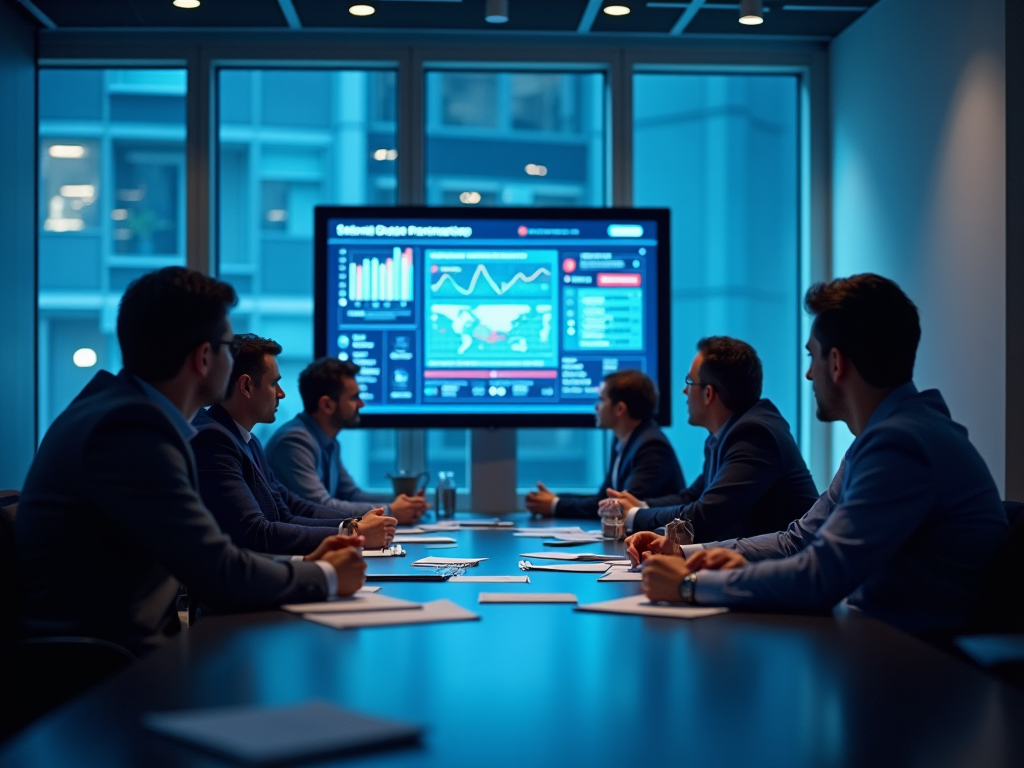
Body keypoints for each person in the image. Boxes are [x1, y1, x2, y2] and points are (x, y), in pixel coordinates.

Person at [629, 274, 1008, 635]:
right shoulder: (885, 436)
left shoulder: (902, 444)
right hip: (879, 647)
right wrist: (690, 552)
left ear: (837, 364)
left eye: (812, 357)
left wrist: (691, 585)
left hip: (921, 670)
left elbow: (819, 577)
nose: (809, 375)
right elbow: (799, 540)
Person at [16, 268, 366, 656]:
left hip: (121, 654)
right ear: (203, 357)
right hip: (104, 674)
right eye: (227, 346)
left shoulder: (122, 412)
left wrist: (308, 566)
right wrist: (326, 575)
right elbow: (217, 568)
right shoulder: (130, 430)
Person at [192, 335, 396, 555]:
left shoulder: (248, 441)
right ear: (247, 386)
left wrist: (354, 525)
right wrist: (353, 531)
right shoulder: (214, 439)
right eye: (273, 383)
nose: (281, 393)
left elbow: (289, 511)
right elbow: (255, 531)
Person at [603, 337, 818, 542]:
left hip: (781, 570)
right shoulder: (725, 434)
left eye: (689, 382)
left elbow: (705, 517)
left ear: (708, 394)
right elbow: (691, 498)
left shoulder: (754, 435)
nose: (684, 390)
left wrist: (634, 515)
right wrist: (642, 506)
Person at [265, 358, 428, 525]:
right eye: (353, 398)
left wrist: (403, 503)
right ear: (327, 405)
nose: (361, 404)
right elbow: (320, 506)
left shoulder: (327, 441)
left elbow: (351, 494)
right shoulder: (294, 442)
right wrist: (390, 510)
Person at [525, 369, 684, 519]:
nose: (596, 407)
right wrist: (555, 499)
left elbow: (617, 505)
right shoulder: (623, 439)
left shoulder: (652, 447)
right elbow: (603, 497)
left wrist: (555, 505)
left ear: (620, 408)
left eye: (601, 399)